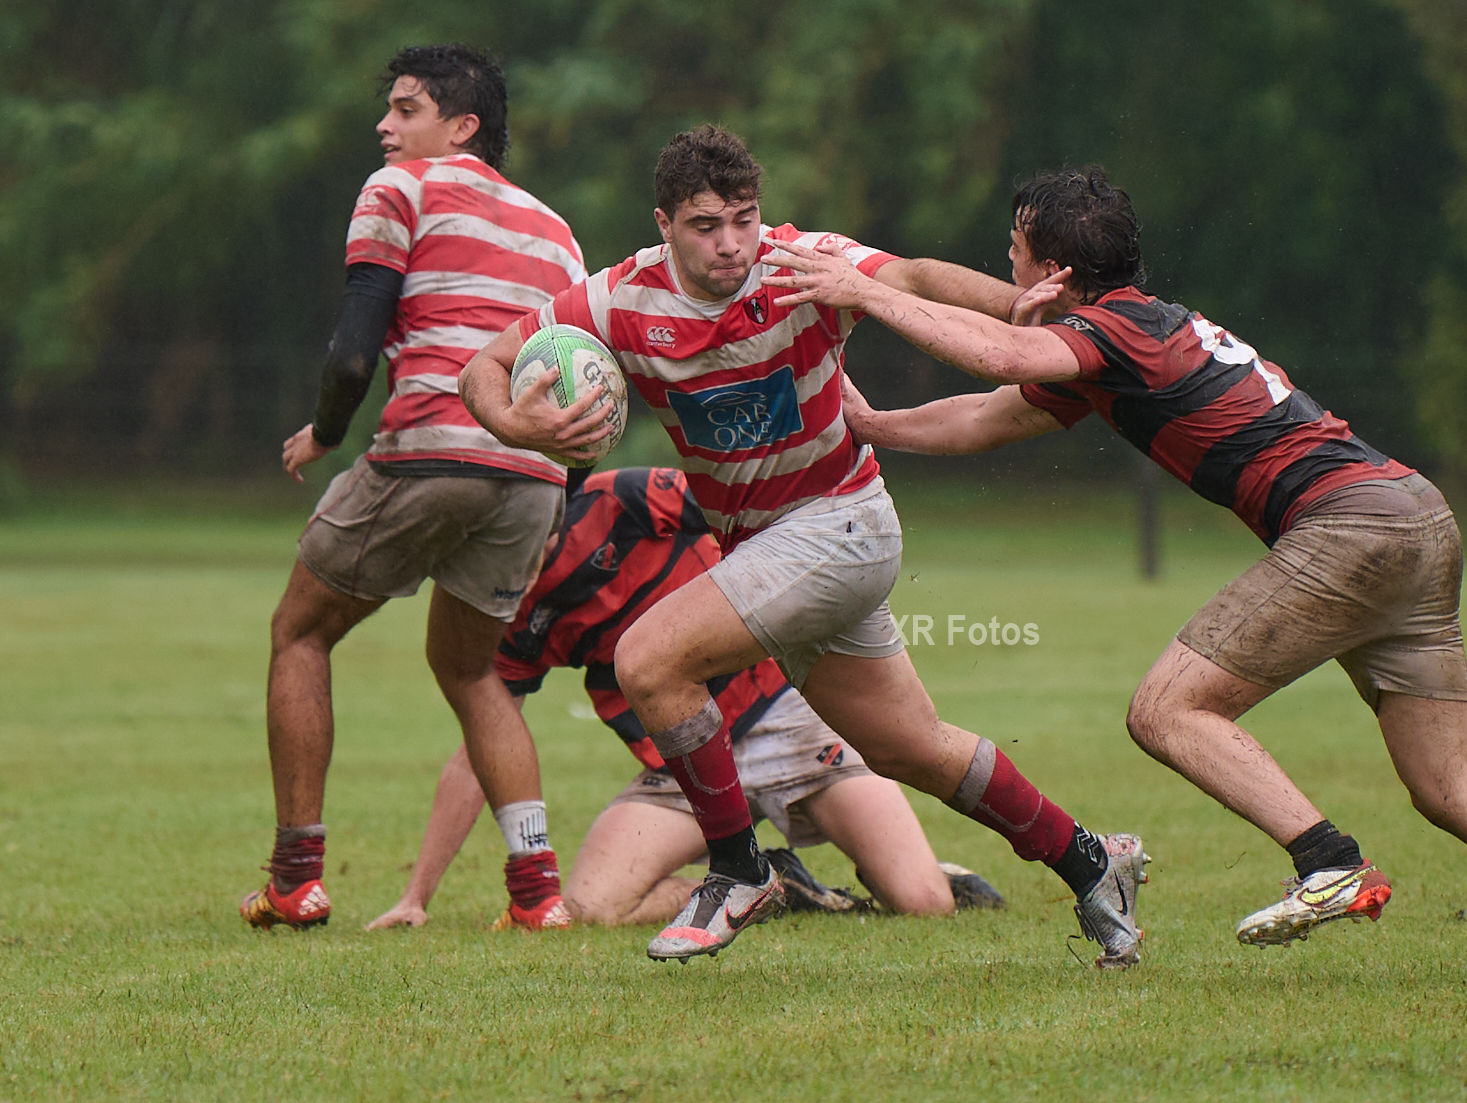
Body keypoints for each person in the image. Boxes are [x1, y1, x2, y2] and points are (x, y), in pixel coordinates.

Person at [760, 165, 1467, 979]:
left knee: (1166, 709)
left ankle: (1327, 860)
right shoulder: (1135, 333)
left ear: (1056, 275)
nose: (1007, 268)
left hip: (1348, 525)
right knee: (1447, 782)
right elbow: (989, 415)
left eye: (1013, 252)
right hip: (1415, 516)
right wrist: (877, 428)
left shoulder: (1110, 333)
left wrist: (861, 291)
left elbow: (1000, 350)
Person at [457, 126, 1148, 967]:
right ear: (664, 224)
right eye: (707, 225)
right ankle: (1093, 862)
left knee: (647, 660)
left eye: (744, 219)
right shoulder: (618, 300)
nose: (731, 243)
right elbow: (482, 367)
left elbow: (918, 276)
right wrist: (518, 421)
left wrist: (1018, 310)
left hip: (841, 523)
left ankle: (738, 870)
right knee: (911, 746)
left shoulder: (800, 263)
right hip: (771, 551)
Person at [242, 45, 588, 934]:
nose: (385, 127)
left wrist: (324, 431)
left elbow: (357, 346)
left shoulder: (398, 189)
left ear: (460, 125)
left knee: (301, 630)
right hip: (535, 477)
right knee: (473, 668)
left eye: (405, 109)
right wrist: (560, 483)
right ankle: (537, 892)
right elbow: (588, 377)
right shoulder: (557, 231)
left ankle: (296, 876)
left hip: (436, 447)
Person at [364, 465, 1006, 932]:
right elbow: (483, 744)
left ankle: (918, 868)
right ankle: (783, 888)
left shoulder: (624, 500)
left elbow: (761, 520)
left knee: (923, 902)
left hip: (791, 720)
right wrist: (416, 895)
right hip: (686, 763)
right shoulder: (508, 613)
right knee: (591, 907)